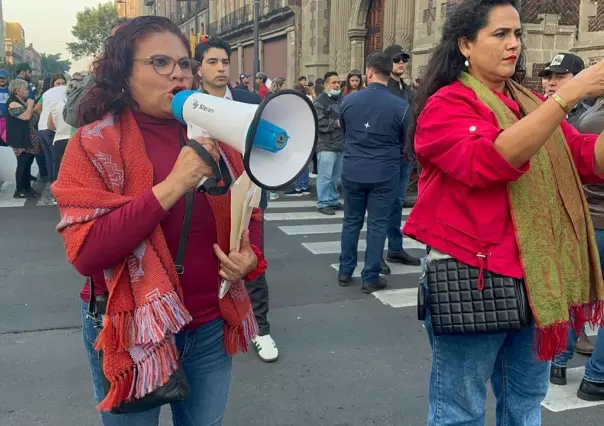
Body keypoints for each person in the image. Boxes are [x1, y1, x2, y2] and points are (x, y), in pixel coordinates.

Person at [51, 16, 267, 425]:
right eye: (161, 63)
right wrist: (172, 186)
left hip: (207, 323)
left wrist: (248, 255)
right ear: (124, 74)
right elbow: (87, 252)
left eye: (185, 64)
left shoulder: (215, 135)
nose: (178, 74)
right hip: (130, 330)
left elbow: (248, 206)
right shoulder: (92, 143)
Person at [403, 0, 604, 424]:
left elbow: (585, 158)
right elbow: (492, 161)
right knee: (460, 411)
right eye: (500, 34)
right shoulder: (445, 105)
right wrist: (566, 96)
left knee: (526, 402)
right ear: (465, 44)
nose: (513, 44)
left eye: (517, 34)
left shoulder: (530, 103)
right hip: (472, 281)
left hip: (537, 280)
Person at [194, 36, 279, 363]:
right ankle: (216, 322)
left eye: (225, 62)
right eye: (212, 62)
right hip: (202, 201)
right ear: (199, 68)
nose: (220, 68)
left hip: (247, 194)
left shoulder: (247, 98)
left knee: (250, 259)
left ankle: (262, 330)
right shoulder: (186, 102)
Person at [338, 53, 408, 293]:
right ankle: (370, 276)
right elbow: (404, 140)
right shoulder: (400, 106)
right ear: (390, 74)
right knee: (377, 225)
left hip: (353, 168)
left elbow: (345, 131)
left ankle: (345, 271)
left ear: (368, 72)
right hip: (384, 171)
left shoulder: (348, 101)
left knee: (351, 221)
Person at [383, 44, 420, 268]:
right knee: (384, 204)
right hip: (388, 153)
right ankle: (378, 253)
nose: (401, 63)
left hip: (405, 153)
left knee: (396, 202)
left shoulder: (407, 90)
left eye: (403, 60)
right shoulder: (384, 89)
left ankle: (395, 248)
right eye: (397, 59)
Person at [314, 71, 344, 215]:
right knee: (325, 175)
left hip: (340, 144)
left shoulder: (341, 100)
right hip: (325, 145)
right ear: (326, 85)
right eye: (334, 82)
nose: (337, 84)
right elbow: (320, 123)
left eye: (338, 82)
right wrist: (338, 123)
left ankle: (332, 199)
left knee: (335, 176)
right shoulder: (319, 102)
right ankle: (323, 202)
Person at [5, 79, 39, 198]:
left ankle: (27, 187)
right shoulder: (13, 103)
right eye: (25, 89)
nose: (27, 91)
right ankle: (19, 189)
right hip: (19, 138)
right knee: (22, 163)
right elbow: (25, 116)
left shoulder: (20, 101)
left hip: (27, 137)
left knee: (28, 162)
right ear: (17, 90)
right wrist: (29, 105)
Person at [539, 53, 589, 127]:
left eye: (560, 77)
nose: (551, 83)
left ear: (579, 79)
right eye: (548, 77)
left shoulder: (589, 118)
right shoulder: (534, 110)